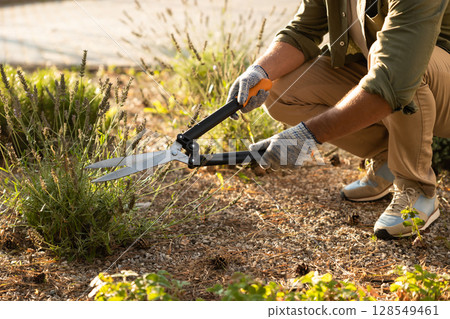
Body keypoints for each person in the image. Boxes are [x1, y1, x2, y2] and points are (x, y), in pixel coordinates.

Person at [227, 0, 450, 239]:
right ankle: (390, 159)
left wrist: (307, 136)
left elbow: (395, 77)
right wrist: (259, 71)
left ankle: (417, 189)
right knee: (283, 90)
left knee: (406, 66)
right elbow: (304, 28)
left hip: (429, 79)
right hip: (392, 70)